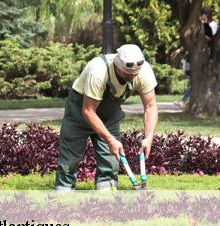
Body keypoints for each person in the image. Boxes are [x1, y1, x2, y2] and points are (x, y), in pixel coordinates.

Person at [55, 44, 158, 190]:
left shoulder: (143, 71)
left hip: (109, 116)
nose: (132, 77)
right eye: (127, 74)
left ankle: (106, 194)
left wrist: (149, 137)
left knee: (110, 162)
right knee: (69, 162)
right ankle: (63, 195)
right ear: (116, 66)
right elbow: (88, 110)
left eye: (134, 74)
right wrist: (110, 139)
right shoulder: (97, 71)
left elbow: (150, 106)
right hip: (79, 113)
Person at [172, 7, 217, 109]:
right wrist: (179, 50)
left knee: (194, 79)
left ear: (208, 15)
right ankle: (188, 102)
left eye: (205, 15)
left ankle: (184, 101)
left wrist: (202, 28)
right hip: (196, 55)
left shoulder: (212, 25)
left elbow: (209, 38)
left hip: (206, 54)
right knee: (193, 77)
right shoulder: (201, 25)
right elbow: (193, 40)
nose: (203, 17)